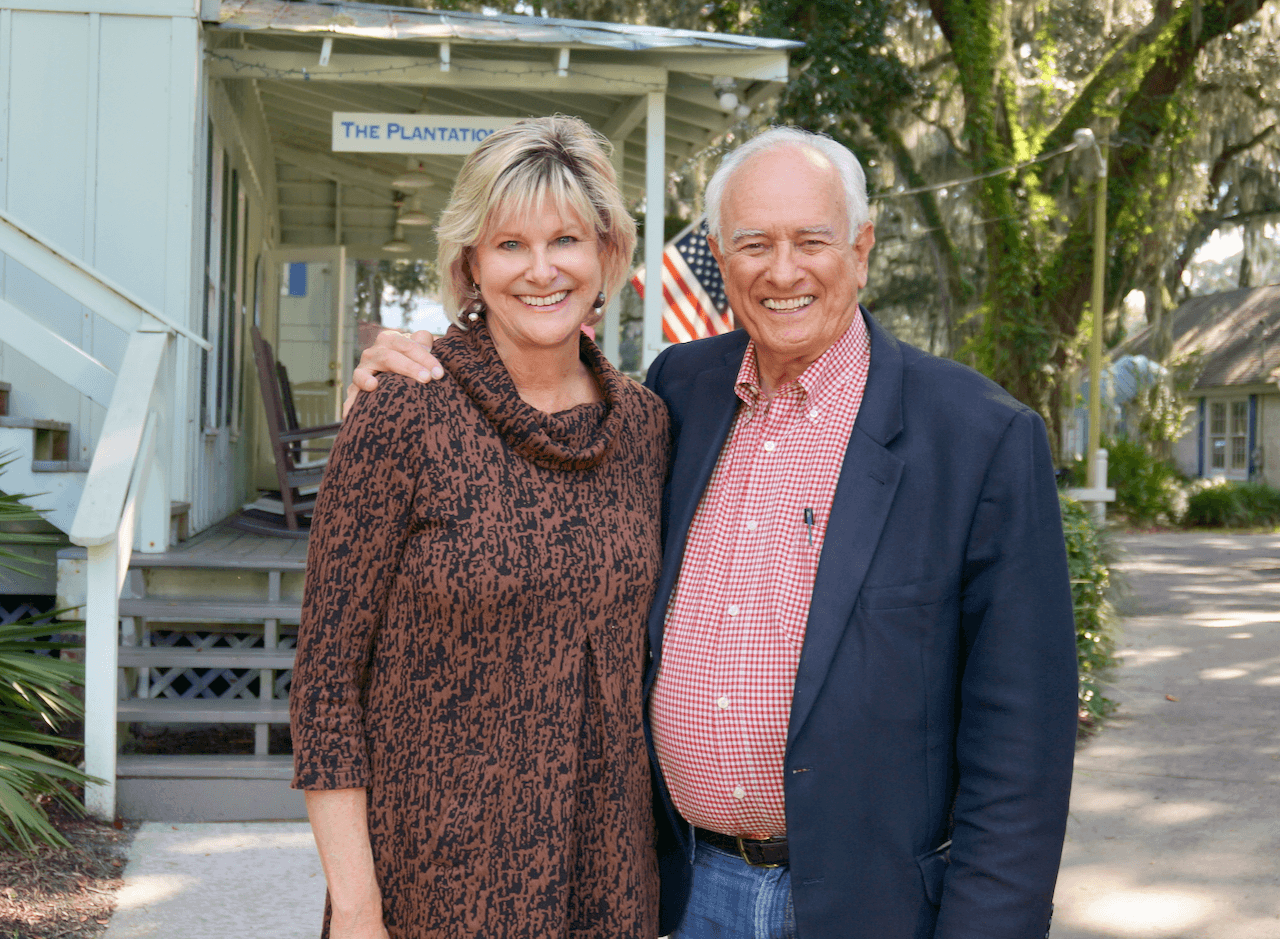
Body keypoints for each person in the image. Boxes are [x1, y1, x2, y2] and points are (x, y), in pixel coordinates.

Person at [350, 126, 1079, 939]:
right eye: (754, 244)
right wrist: (420, 366)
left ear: (863, 247)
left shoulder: (979, 438)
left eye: (812, 240)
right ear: (721, 260)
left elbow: (1022, 751)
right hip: (686, 895)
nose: (783, 270)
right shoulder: (676, 396)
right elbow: (538, 443)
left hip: (869, 908)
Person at [290, 116, 670, 939]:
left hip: (607, 885)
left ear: (607, 252)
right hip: (429, 889)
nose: (541, 270)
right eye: (509, 245)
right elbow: (324, 685)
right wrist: (356, 907)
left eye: (566, 239)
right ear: (470, 262)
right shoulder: (403, 409)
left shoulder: (644, 427)